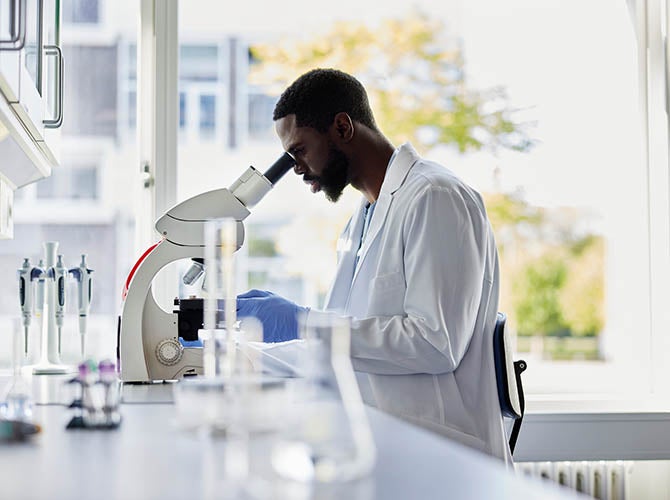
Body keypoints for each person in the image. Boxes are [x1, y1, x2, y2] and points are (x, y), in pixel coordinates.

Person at [236, 68, 510, 463]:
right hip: (388, 449)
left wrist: (302, 320)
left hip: (445, 457)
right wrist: (240, 353)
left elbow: (435, 343)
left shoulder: (434, 196)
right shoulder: (361, 221)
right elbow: (341, 347)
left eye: (299, 150)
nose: (296, 168)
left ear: (342, 127)